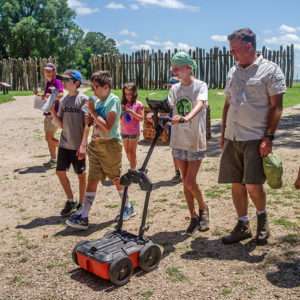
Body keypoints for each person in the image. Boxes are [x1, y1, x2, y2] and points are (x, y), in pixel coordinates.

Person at [218, 28, 286, 245]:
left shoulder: (270, 70)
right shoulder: (233, 71)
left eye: (235, 49)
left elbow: (277, 107)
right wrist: (223, 133)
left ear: (249, 46)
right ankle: (243, 224)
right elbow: (228, 104)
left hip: (255, 137)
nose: (232, 53)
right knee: (236, 184)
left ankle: (262, 219)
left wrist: (268, 137)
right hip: (233, 137)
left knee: (254, 185)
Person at [66, 71, 135, 230]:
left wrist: (93, 113)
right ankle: (84, 216)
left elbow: (108, 127)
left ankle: (128, 207)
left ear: (106, 86)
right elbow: (95, 123)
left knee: (115, 177)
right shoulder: (96, 101)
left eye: (95, 87)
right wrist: (89, 118)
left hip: (110, 144)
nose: (93, 90)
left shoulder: (113, 100)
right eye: (92, 87)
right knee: (93, 179)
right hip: (96, 144)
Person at [168, 52, 210, 236]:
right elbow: (168, 107)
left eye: (177, 68)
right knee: (185, 182)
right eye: (173, 68)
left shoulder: (200, 86)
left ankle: (203, 208)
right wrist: (155, 114)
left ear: (188, 67)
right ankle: (193, 217)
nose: (174, 71)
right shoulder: (175, 89)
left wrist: (187, 118)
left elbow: (200, 104)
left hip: (195, 140)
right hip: (178, 140)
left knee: (190, 181)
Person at [50, 69, 90, 217]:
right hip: (64, 144)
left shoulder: (84, 99)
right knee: (60, 172)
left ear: (76, 83)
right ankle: (70, 200)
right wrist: (52, 111)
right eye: (63, 80)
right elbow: (61, 124)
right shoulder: (64, 101)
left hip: (78, 145)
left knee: (81, 175)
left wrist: (83, 145)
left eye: (67, 80)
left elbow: (87, 124)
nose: (63, 82)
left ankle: (81, 203)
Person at [36, 63, 63, 167]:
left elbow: (60, 95)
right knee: (49, 138)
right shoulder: (49, 82)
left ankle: (69, 149)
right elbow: (49, 96)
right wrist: (41, 95)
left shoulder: (57, 82)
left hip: (53, 113)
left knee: (49, 138)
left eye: (49, 71)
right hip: (48, 113)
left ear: (54, 71)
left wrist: (49, 95)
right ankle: (53, 159)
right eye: (46, 71)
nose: (47, 73)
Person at [120, 82, 144, 169]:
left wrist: (131, 112)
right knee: (127, 152)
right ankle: (134, 167)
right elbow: (119, 118)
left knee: (132, 152)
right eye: (126, 94)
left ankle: (132, 170)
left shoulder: (139, 104)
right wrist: (121, 113)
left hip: (134, 131)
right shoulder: (122, 104)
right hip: (124, 131)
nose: (128, 96)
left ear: (134, 93)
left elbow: (141, 118)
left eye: (130, 94)